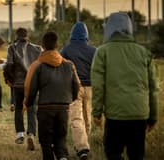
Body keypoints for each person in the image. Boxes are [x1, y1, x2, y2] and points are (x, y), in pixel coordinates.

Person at [91, 12, 158, 160]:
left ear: (108, 29)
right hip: (140, 115)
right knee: (137, 155)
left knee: (113, 153)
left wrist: (97, 112)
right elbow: (153, 89)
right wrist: (153, 117)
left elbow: (98, 85)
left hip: (115, 116)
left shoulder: (102, 52)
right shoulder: (144, 52)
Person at [24, 31, 80, 160]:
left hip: (45, 108)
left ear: (43, 45)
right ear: (57, 45)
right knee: (61, 138)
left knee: (46, 141)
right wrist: (69, 100)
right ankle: (62, 157)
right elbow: (77, 87)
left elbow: (32, 89)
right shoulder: (69, 65)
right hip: (63, 107)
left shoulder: (39, 66)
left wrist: (28, 103)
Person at [60, 22, 95, 159]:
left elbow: (61, 67)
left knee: (76, 117)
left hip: (74, 87)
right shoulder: (94, 51)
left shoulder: (66, 50)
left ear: (72, 34)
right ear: (86, 34)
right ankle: (84, 145)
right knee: (87, 116)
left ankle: (82, 147)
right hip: (90, 88)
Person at [3, 27, 42, 150]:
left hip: (18, 84)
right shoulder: (37, 49)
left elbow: (9, 66)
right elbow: (41, 66)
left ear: (17, 36)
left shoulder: (12, 48)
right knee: (32, 109)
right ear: (27, 36)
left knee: (19, 108)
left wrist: (8, 79)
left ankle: (20, 134)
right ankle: (31, 133)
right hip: (32, 84)